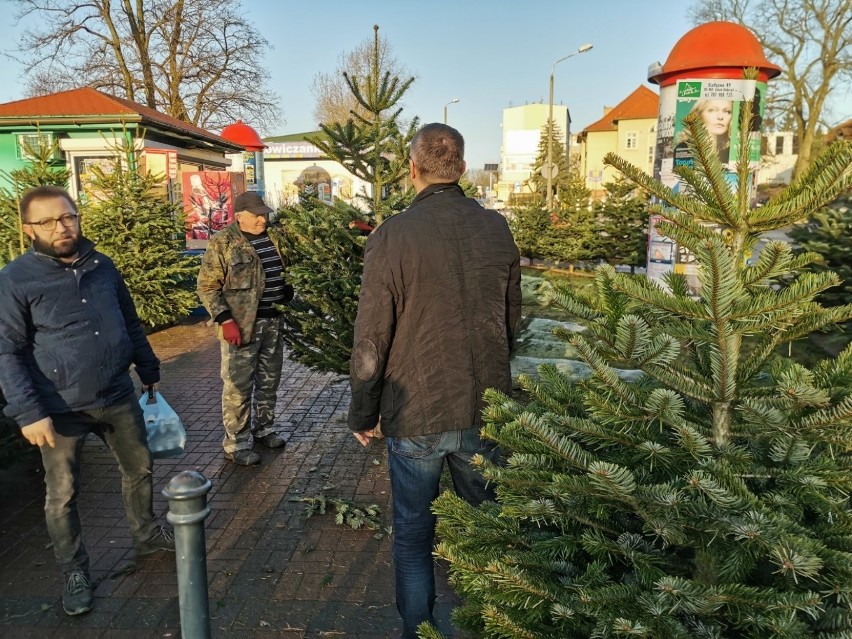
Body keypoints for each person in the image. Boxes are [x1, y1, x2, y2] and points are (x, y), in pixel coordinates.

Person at [348, 123, 522, 638]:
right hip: (483, 404)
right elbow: (512, 320)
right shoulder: (497, 229)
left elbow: (371, 337)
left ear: (413, 170)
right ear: (463, 168)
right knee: (489, 527)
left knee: (413, 534)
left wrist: (363, 412)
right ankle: (497, 622)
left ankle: (419, 632)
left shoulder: (393, 236)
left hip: (417, 410)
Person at [0, 186, 175, 617]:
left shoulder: (102, 265)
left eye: (68, 217)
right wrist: (29, 413)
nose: (61, 227)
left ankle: (146, 534)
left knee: (140, 469)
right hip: (60, 411)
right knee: (62, 495)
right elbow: (5, 350)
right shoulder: (15, 280)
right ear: (28, 230)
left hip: (117, 394)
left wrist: (148, 369)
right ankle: (74, 571)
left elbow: (127, 319)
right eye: (47, 221)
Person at [196, 191, 293, 466]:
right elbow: (207, 287)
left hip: (273, 322)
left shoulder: (273, 237)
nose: (263, 219)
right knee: (238, 386)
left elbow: (282, 271)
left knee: (269, 379)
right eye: (256, 215)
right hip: (241, 327)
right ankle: (236, 443)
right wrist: (225, 320)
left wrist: (286, 291)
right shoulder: (224, 242)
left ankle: (264, 429)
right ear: (239, 216)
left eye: (264, 214)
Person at [674, 98, 733, 166]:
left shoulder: (731, 152)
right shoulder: (684, 149)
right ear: (698, 115)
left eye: (727, 112)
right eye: (712, 110)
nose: (720, 117)